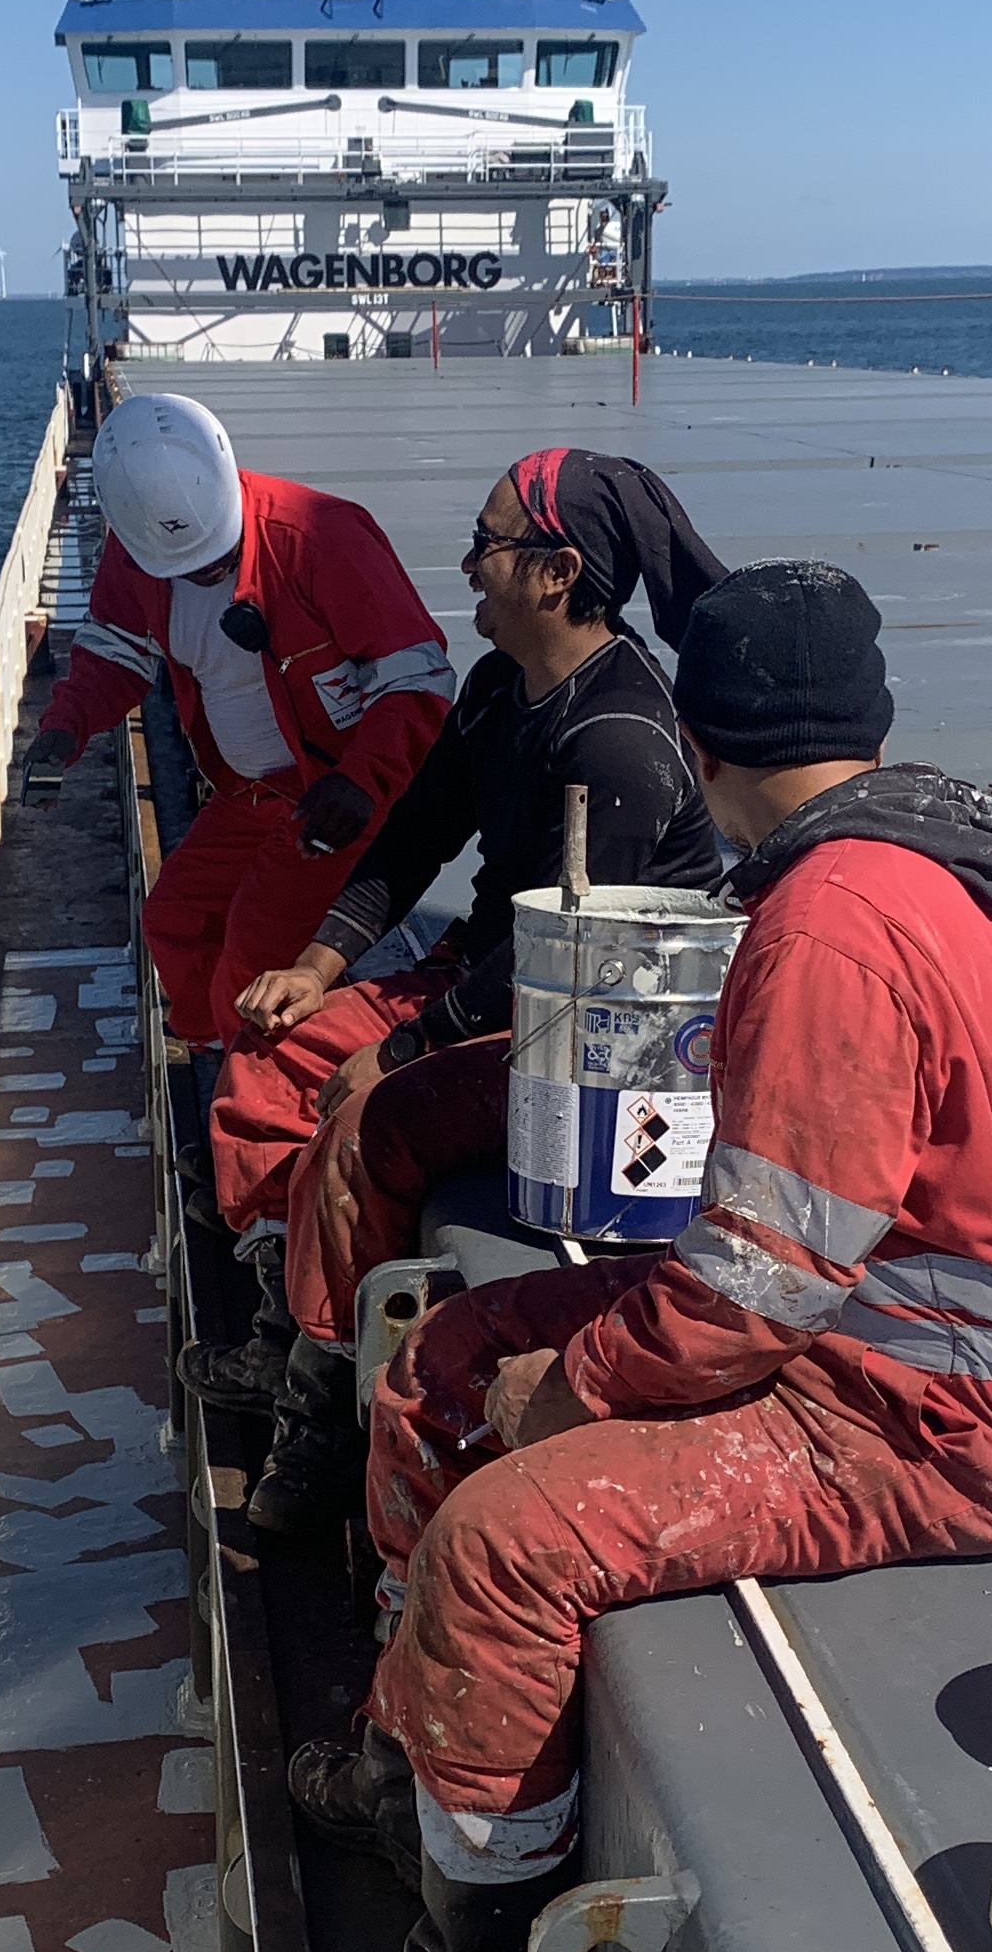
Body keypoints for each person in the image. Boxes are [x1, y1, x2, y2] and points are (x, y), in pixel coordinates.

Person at [294, 558, 992, 1952]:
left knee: (502, 1544)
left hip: (912, 1415)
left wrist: (570, 1391)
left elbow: (748, 1285)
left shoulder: (828, 923)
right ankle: (411, 1763)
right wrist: (530, 1366)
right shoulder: (966, 860)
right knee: (443, 1358)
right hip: (868, 1335)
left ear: (710, 743)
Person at [186, 449, 729, 1534]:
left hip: (579, 1031)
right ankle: (280, 1319)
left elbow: (565, 967)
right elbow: (413, 839)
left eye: (488, 543)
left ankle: (320, 1421)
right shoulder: (498, 689)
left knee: (356, 1125)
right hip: (492, 979)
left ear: (556, 572)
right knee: (260, 1061)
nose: (468, 564)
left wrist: (395, 1052)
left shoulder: (615, 741)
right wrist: (319, 969)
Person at [34, 391, 454, 1044]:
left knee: (253, 956)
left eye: (220, 559)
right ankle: (228, 1056)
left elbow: (420, 680)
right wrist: (65, 727)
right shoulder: (137, 553)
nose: (207, 571)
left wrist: (360, 782)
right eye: (190, 568)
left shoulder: (322, 537)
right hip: (247, 794)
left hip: (331, 798)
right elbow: (114, 647)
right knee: (175, 920)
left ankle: (255, 1098)